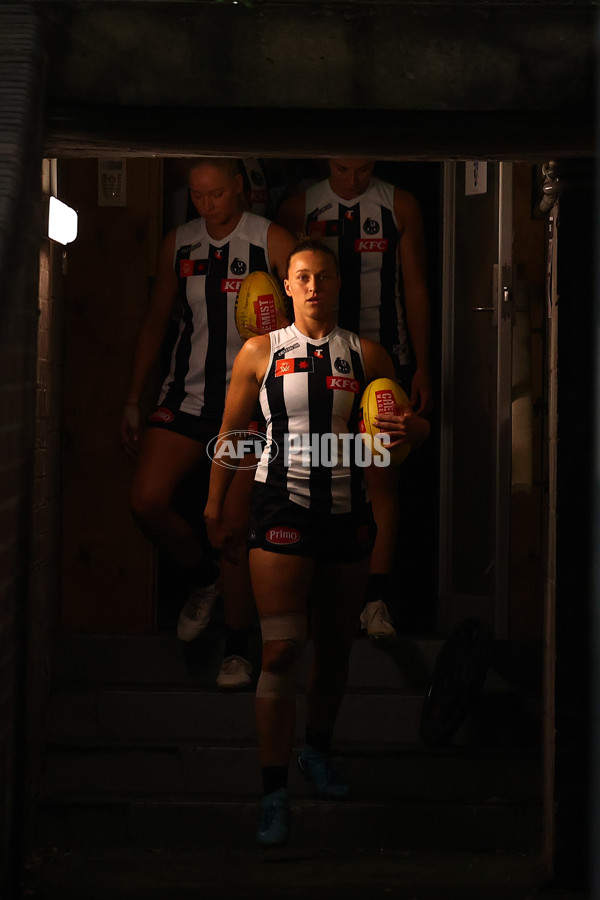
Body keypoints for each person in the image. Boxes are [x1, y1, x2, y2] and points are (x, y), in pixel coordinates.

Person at [204, 239, 429, 847]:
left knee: (334, 651)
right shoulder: (260, 352)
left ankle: (317, 752)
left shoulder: (366, 354)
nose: (312, 287)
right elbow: (231, 431)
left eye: (323, 276)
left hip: (346, 513)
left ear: (337, 285)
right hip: (280, 508)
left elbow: (404, 430)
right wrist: (213, 504)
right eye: (301, 277)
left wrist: (414, 427)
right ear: (287, 286)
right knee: (281, 650)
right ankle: (273, 795)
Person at [120, 157, 296, 689]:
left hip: (250, 408)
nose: (206, 204)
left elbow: (307, 321)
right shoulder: (180, 242)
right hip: (187, 396)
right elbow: (157, 320)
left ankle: (237, 648)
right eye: (197, 195)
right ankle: (204, 577)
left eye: (216, 193)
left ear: (239, 187)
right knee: (145, 500)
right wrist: (133, 398)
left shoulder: (271, 239)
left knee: (232, 524)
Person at [276, 158, 433, 640]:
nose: (352, 179)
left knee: (380, 474)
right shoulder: (300, 206)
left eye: (362, 169)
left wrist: (424, 364)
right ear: (328, 161)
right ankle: (307, 596)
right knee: (311, 467)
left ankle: (376, 598)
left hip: (383, 356)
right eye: (343, 169)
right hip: (316, 358)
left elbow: (414, 285)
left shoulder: (399, 204)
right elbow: (283, 282)